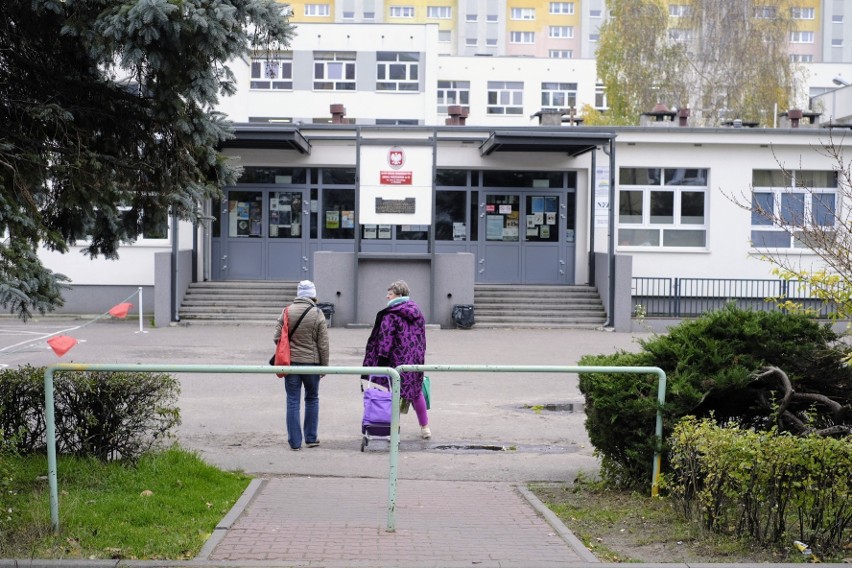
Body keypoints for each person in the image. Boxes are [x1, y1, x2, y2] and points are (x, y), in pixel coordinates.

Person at [362, 280, 430, 439]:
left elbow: (385, 338)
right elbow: (421, 337)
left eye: (390, 293)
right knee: (416, 392)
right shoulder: (417, 311)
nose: (387, 296)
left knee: (394, 394)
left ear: (399, 295)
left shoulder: (391, 314)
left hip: (396, 360)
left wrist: (381, 359)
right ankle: (425, 427)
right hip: (415, 359)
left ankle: (394, 429)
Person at [273, 280, 329, 450]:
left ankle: (295, 442)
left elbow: (277, 336)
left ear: (299, 294)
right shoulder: (317, 313)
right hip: (312, 364)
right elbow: (323, 343)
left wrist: (289, 348)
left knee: (292, 401)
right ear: (313, 294)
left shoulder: (287, 311)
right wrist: (324, 366)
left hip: (291, 364)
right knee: (312, 398)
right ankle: (311, 438)